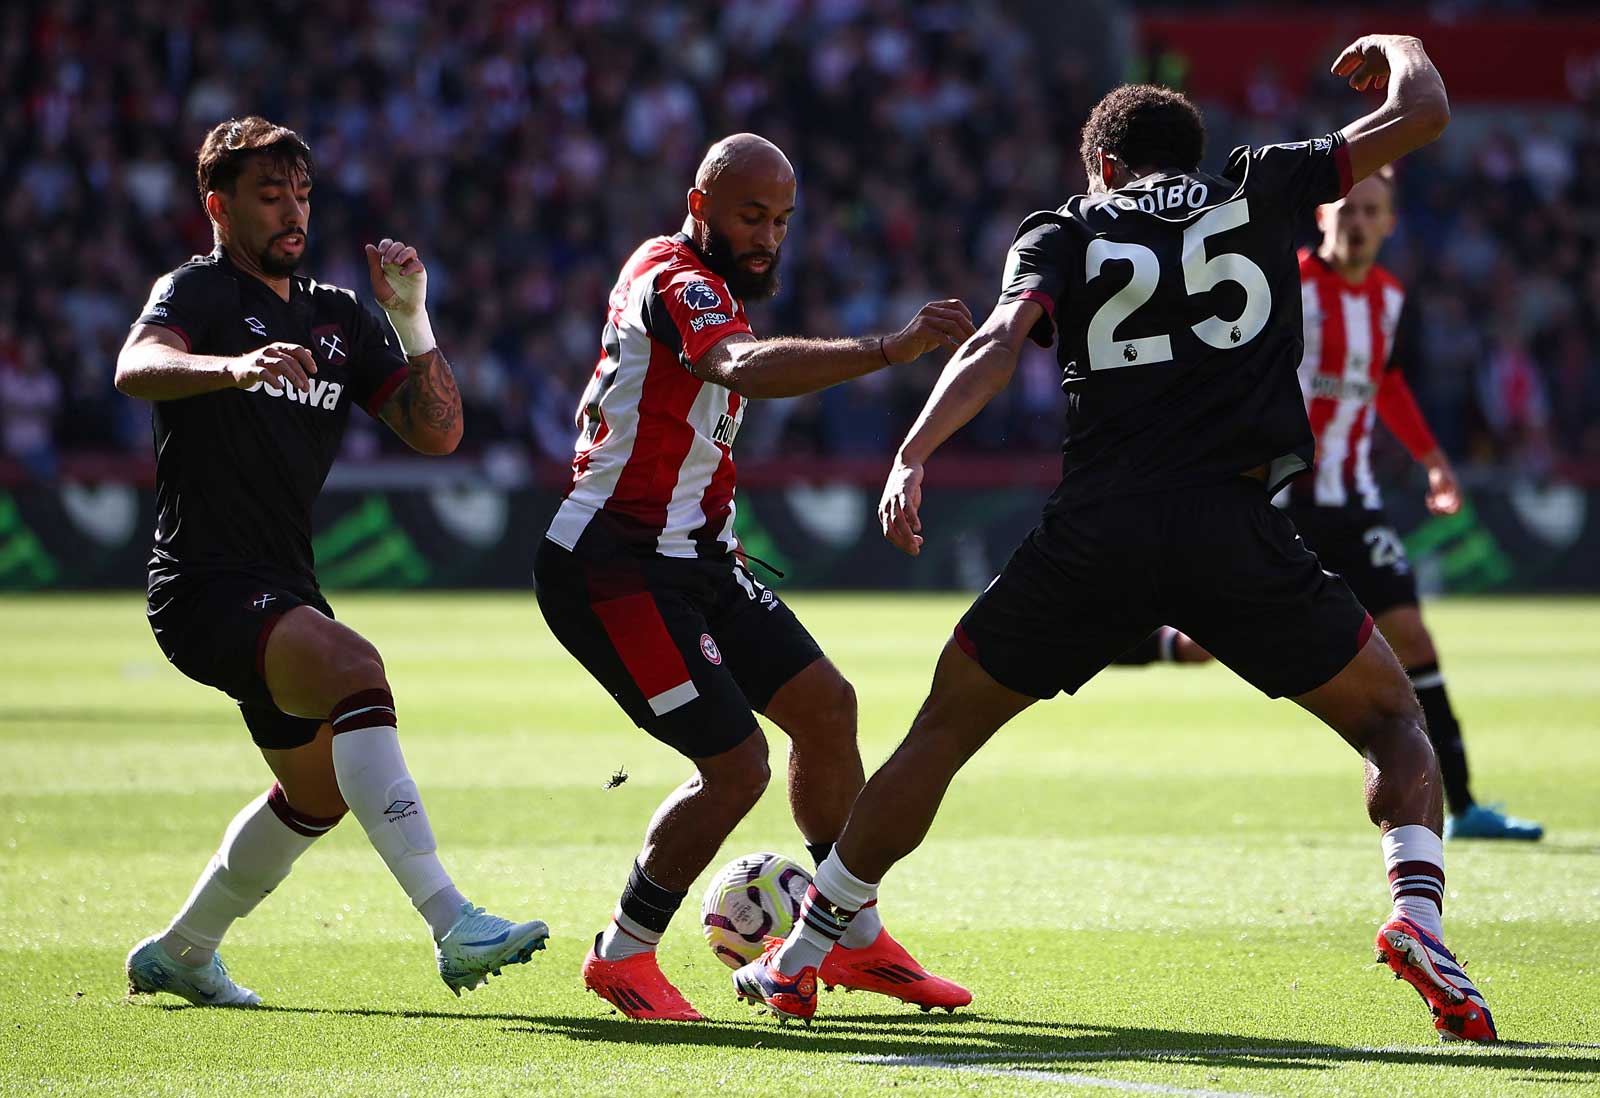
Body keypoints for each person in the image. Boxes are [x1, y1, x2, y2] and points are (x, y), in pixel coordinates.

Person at [736, 37, 1498, 1043]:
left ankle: (802, 953)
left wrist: (912, 451)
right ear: (1192, 151)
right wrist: (1399, 49)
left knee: (942, 732)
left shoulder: (1066, 227)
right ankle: (1416, 915)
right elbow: (1428, 110)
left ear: (1100, 165)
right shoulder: (1262, 185)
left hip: (1095, 532)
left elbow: (999, 342)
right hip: (1234, 526)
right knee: (1394, 721)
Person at [534, 133, 975, 1021]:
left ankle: (851, 940)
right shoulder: (677, 277)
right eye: (750, 216)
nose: (768, 235)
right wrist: (888, 349)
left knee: (827, 707)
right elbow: (735, 365)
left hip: (696, 558)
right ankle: (622, 955)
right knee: (736, 765)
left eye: (781, 219)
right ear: (700, 205)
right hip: (611, 566)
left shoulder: (717, 284)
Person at [117, 117, 547, 1007]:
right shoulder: (195, 291)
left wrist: (413, 318)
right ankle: (451, 921)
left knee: (316, 793)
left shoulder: (339, 315)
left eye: (301, 193)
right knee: (359, 670)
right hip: (201, 585)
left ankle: (183, 951)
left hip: (283, 585)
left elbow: (438, 432)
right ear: (217, 206)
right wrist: (233, 370)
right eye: (269, 195)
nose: (291, 211)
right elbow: (136, 366)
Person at [1113, 169, 1543, 842]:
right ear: (1321, 216)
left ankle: (1463, 806)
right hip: (1280, 500)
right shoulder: (1286, 286)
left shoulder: (1391, 299)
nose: (1360, 223)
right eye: (1349, 211)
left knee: (1414, 639)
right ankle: (1106, 637)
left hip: (1355, 504)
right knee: (1205, 645)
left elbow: (1386, 384)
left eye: (1373, 212)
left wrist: (1433, 463)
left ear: (1390, 223)